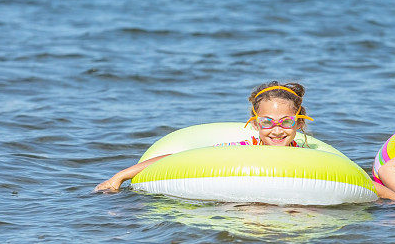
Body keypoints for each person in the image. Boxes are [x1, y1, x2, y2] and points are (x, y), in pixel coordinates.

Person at [94, 82, 313, 192]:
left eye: (286, 122)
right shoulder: (241, 150)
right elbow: (180, 157)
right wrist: (120, 176)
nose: (277, 130)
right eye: (267, 122)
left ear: (299, 122)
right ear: (255, 124)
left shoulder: (309, 157)